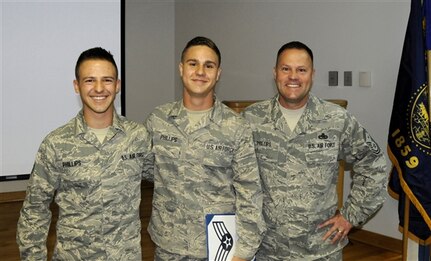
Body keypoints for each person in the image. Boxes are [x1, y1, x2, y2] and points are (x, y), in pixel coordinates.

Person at [242, 41, 387, 260]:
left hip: (320, 250)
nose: (293, 76)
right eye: (285, 69)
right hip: (267, 249)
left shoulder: (336, 119)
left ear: (312, 74)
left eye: (301, 70)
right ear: (275, 73)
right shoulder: (251, 119)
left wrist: (350, 215)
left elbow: (373, 163)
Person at [16, 47, 152, 260]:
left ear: (117, 86)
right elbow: (34, 211)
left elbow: (169, 179)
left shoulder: (138, 137)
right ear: (76, 86)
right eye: (89, 80)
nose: (99, 88)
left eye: (107, 80)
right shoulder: (56, 144)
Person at [145, 36, 265, 261]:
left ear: (218, 73)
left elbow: (250, 191)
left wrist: (244, 252)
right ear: (181, 69)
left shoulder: (236, 127)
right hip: (168, 246)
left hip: (218, 248)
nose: (200, 71)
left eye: (208, 65)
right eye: (193, 64)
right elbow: (147, 170)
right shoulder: (158, 120)